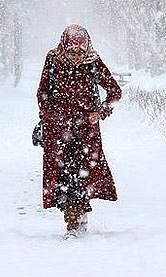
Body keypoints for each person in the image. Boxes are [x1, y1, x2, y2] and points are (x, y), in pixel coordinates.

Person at [36, 24, 122, 239]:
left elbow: (114, 92)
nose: (76, 57)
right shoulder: (53, 59)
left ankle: (77, 220)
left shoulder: (93, 62)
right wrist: (49, 116)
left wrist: (100, 112)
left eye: (80, 52)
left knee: (81, 176)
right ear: (65, 46)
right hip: (58, 131)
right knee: (63, 177)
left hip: (86, 132)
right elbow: (43, 92)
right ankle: (72, 219)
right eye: (72, 52)